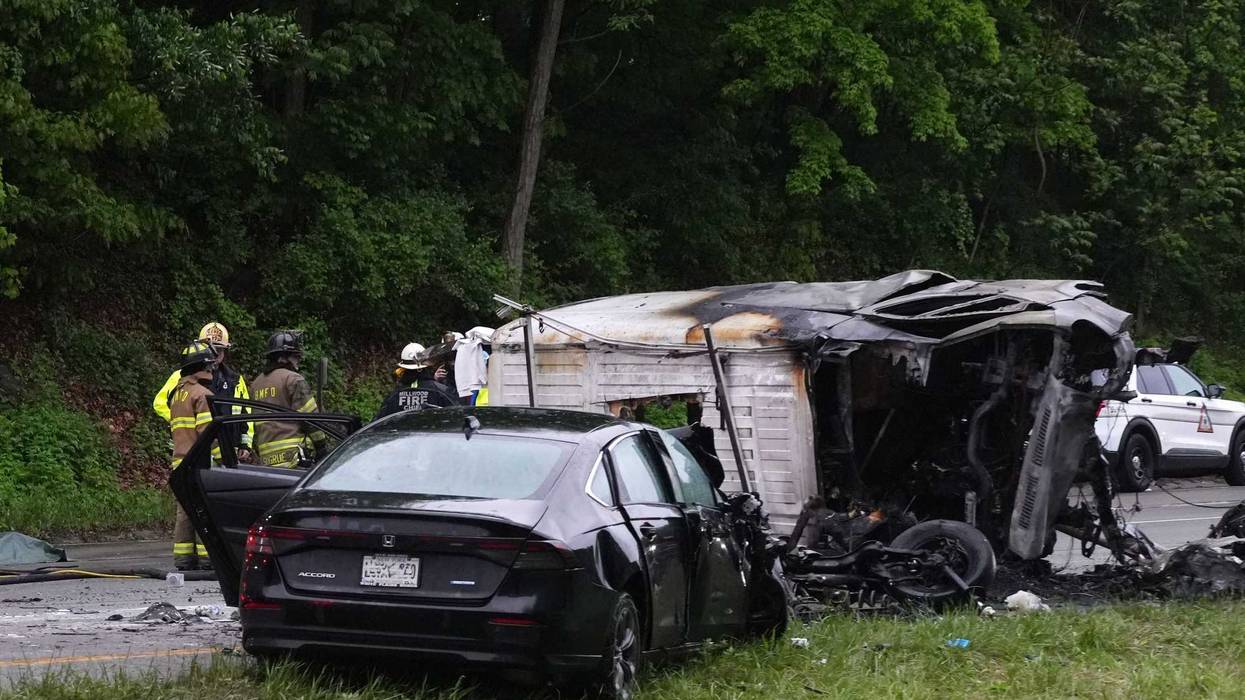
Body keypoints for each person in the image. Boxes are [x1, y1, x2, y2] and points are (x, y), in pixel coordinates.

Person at [153, 322, 253, 461]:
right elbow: (160, 403)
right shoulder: (182, 376)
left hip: (228, 451)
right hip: (193, 449)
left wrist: (245, 444)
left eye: (219, 350)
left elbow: (245, 415)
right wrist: (183, 422)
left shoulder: (235, 380)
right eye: (211, 349)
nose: (215, 355)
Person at [168, 340, 217, 570]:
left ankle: (184, 558)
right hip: (199, 462)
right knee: (204, 510)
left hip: (179, 462)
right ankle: (208, 558)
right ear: (201, 367)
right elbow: (208, 434)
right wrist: (224, 460)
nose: (211, 370)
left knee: (184, 511)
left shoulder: (177, 394)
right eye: (208, 365)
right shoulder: (202, 394)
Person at [250, 331, 327, 468]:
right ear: (284, 357)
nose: (298, 360)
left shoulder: (256, 384)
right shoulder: (293, 379)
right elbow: (310, 418)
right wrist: (321, 446)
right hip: (295, 458)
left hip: (266, 462)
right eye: (295, 356)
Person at [376, 342, 459, 419]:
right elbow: (458, 417)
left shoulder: (394, 396)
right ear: (426, 364)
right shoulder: (442, 392)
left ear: (403, 368)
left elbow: (378, 424)